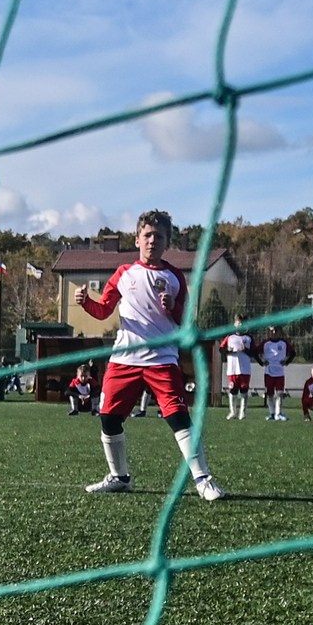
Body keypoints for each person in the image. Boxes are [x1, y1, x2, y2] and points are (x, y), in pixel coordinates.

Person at [76, 210, 223, 500]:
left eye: (159, 236)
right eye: (148, 235)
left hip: (162, 360)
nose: (152, 240)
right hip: (124, 360)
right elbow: (104, 310)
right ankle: (119, 477)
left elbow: (186, 324)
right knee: (108, 417)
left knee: (179, 417)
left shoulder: (175, 277)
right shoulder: (123, 274)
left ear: (167, 242)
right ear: (137, 239)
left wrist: (173, 308)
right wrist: (85, 303)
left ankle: (203, 479)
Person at [220, 320, 255, 421]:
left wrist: (245, 350)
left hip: (245, 370)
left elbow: (253, 353)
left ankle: (242, 413)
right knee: (233, 391)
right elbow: (221, 349)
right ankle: (232, 412)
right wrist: (228, 351)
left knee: (244, 391)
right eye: (237, 323)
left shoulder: (248, 338)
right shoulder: (230, 337)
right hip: (232, 369)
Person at [259, 325, 290, 422]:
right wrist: (262, 362)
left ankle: (279, 413)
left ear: (279, 332)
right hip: (269, 372)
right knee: (270, 394)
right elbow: (255, 352)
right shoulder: (265, 343)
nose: (274, 333)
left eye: (276, 331)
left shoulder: (284, 343)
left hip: (280, 373)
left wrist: (287, 362)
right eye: (272, 331)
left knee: (280, 393)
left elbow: (293, 353)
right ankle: (272, 413)